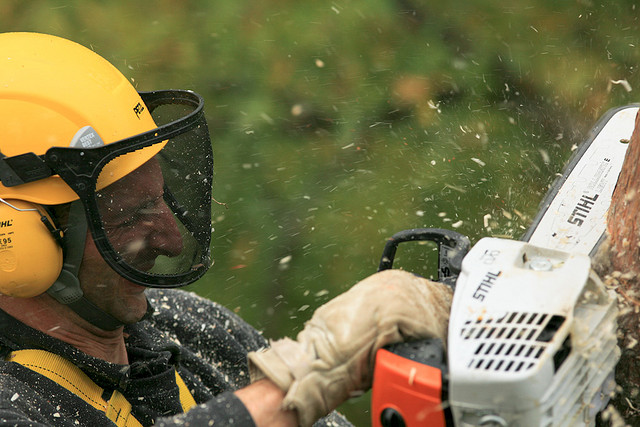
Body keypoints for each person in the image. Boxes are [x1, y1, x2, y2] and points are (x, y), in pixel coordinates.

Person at [0, 32, 453, 427]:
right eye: (130, 216)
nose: (170, 239)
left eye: (160, 200)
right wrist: (312, 373)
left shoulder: (192, 326)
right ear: (16, 236)